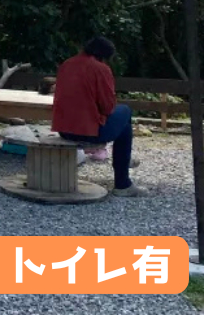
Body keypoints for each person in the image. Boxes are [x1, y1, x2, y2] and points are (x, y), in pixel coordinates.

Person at [51, 36, 149, 196]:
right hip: (87, 131)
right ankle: (122, 182)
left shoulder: (66, 64)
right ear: (105, 56)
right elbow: (108, 107)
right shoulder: (100, 69)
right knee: (125, 112)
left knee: (123, 121)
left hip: (64, 130)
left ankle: (125, 164)